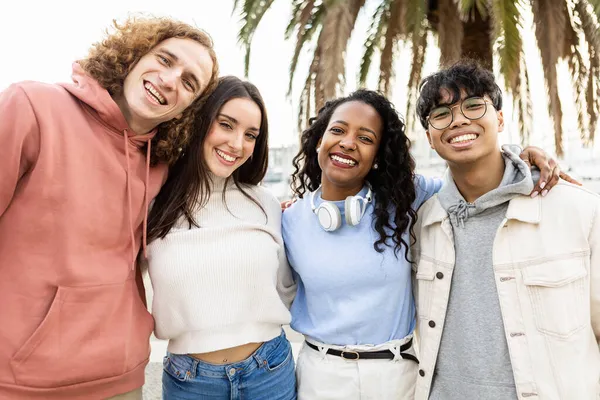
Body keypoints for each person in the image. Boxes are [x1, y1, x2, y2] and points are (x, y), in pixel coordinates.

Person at [281, 88, 567, 399]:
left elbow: (475, 177)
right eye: (337, 130)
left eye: (366, 138)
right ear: (319, 139)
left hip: (397, 375)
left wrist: (524, 157)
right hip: (320, 376)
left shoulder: (406, 198)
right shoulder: (288, 220)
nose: (348, 143)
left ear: (378, 156)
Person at [0, 17, 218, 399]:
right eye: (166, 60)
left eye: (189, 83)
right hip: (23, 380)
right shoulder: (33, 106)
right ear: (133, 54)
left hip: (121, 378)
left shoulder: (161, 163)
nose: (171, 80)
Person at [412, 60, 599, 399]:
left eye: (473, 106)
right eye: (441, 114)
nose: (459, 120)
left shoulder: (578, 210)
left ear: (499, 118)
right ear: (429, 136)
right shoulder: (422, 224)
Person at [146, 76, 297, 400]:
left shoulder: (266, 203)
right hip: (190, 381)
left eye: (250, 135)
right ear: (200, 122)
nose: (237, 143)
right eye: (226, 125)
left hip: (269, 371)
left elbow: (285, 288)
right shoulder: (154, 207)